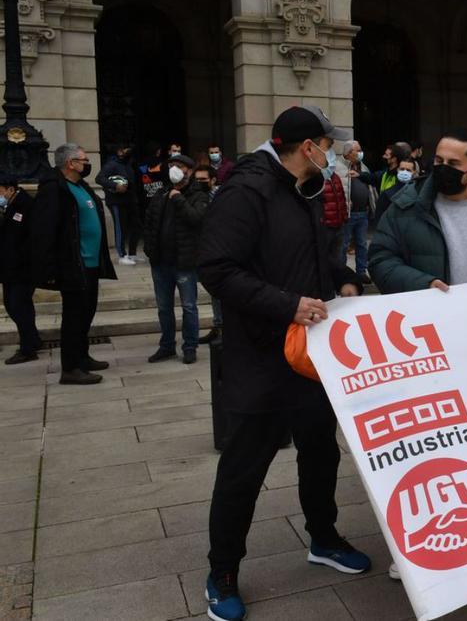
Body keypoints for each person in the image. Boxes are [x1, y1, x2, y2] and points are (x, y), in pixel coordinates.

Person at [198, 106, 367, 621]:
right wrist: (286, 304)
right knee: (244, 467)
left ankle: (323, 537)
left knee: (320, 450)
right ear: (306, 146)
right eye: (327, 145)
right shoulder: (247, 191)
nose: (333, 154)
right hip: (261, 352)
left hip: (309, 353)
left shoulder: (306, 190)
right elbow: (216, 267)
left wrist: (342, 277)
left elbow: (312, 256)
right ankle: (223, 570)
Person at [369, 128, 467, 293]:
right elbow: (380, 261)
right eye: (439, 160)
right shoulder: (405, 207)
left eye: (453, 164)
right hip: (429, 314)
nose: (443, 168)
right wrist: (424, 284)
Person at [31, 144, 117, 385]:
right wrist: (49, 267)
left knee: (86, 313)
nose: (86, 163)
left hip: (90, 263)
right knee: (74, 316)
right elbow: (45, 230)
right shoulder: (55, 189)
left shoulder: (80, 186)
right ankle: (70, 368)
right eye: (83, 159)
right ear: (70, 163)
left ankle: (82, 356)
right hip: (72, 264)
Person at [143, 156, 208, 364]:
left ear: (189, 170)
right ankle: (167, 346)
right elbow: (150, 222)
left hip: (184, 262)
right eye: (171, 166)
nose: (174, 170)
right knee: (164, 307)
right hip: (161, 261)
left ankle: (190, 346)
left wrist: (178, 198)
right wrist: (149, 249)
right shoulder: (161, 193)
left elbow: (197, 219)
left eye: (179, 167)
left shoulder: (198, 195)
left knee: (189, 306)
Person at [0, 177, 42, 364]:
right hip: (10, 268)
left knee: (18, 305)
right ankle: (32, 339)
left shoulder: (25, 205)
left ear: (10, 189)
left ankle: (27, 348)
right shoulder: (10, 205)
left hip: (22, 268)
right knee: (14, 305)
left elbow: (27, 238)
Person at [97, 144, 144, 265]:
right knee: (120, 227)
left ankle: (132, 254)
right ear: (119, 151)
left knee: (136, 225)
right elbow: (99, 178)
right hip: (117, 201)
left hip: (130, 200)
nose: (128, 151)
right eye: (125, 149)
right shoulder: (111, 164)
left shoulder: (128, 164)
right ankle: (122, 255)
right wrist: (115, 186)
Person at [339, 141, 374, 281]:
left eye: (360, 150)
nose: (360, 153)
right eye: (357, 151)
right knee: (344, 245)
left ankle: (361, 272)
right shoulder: (338, 168)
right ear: (348, 154)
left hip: (362, 213)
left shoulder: (363, 167)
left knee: (361, 244)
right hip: (348, 214)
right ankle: (341, 273)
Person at [319, 141, 349, 266]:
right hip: (325, 227)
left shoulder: (335, 177)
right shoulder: (315, 178)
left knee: (338, 258)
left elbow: (341, 198)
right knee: (324, 259)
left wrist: (344, 217)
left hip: (339, 225)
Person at [375, 154, 418, 221]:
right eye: (402, 169)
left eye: (408, 170)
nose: (404, 172)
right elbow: (379, 219)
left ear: (414, 172)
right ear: (397, 170)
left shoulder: (419, 193)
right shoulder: (387, 194)